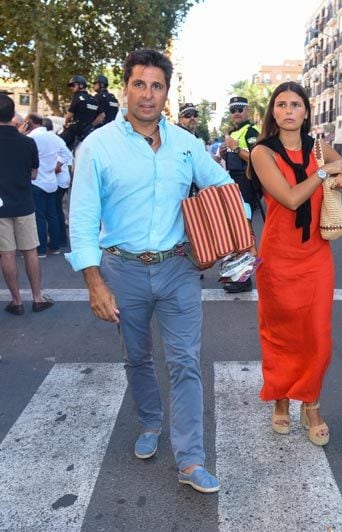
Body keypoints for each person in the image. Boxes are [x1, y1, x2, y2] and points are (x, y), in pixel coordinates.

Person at [66, 48, 250, 494]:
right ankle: (150, 421)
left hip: (178, 269)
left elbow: (225, 187)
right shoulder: (98, 146)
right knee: (137, 357)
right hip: (121, 270)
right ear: (125, 88)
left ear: (166, 93)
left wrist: (217, 230)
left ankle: (191, 459)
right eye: (139, 84)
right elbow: (83, 217)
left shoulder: (186, 145)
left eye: (157, 86)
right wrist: (94, 281)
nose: (147, 95)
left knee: (186, 361)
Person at [248, 81, 342, 446]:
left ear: (306, 111)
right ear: (273, 112)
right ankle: (281, 398)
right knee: (280, 334)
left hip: (316, 256)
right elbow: (292, 198)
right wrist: (328, 172)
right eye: (281, 104)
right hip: (278, 257)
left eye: (295, 104)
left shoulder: (316, 148)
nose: (288, 111)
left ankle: (311, 404)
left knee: (317, 336)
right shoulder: (261, 152)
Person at [0, 95, 53, 315]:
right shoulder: (28, 142)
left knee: (7, 254)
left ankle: (16, 300)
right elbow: (33, 174)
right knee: (30, 251)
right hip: (24, 203)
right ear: (13, 114)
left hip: (1, 207)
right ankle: (38, 297)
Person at [221, 96, 260, 293]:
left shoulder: (251, 131)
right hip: (234, 185)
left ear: (247, 110)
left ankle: (245, 279)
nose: (236, 113)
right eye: (233, 109)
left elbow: (258, 158)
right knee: (238, 231)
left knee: (246, 231)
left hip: (246, 185)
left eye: (240, 109)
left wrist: (235, 148)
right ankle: (239, 275)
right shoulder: (234, 132)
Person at [24, 113, 72, 257]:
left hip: (37, 181)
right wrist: (57, 165)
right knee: (52, 214)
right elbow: (67, 154)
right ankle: (55, 246)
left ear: (29, 123)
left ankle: (41, 249)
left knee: (39, 217)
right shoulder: (54, 138)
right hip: (51, 181)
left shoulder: (31, 138)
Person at [42, 118, 72, 248]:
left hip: (58, 179)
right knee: (56, 209)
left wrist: (56, 166)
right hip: (63, 180)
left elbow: (64, 157)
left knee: (54, 210)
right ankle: (60, 238)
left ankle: (60, 239)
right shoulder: (56, 139)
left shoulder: (50, 140)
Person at [59, 75, 99, 150]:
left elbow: (69, 116)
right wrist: (90, 125)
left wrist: (65, 125)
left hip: (75, 130)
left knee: (57, 143)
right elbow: (102, 116)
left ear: (81, 85)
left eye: (73, 85)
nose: (71, 88)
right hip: (88, 131)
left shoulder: (77, 97)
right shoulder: (93, 99)